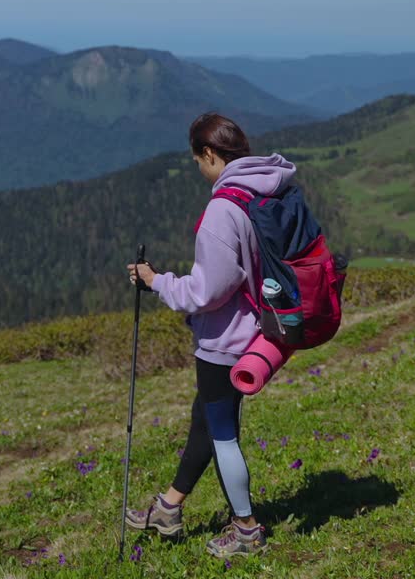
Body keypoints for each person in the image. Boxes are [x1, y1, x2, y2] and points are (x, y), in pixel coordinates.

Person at [124, 112, 297, 559]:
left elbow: (207, 291)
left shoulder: (224, 208)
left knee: (222, 434)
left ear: (210, 155)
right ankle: (169, 506)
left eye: (199, 160)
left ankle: (246, 530)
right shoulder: (267, 188)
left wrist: (157, 281)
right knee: (207, 417)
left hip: (226, 340)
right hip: (257, 328)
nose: (200, 170)